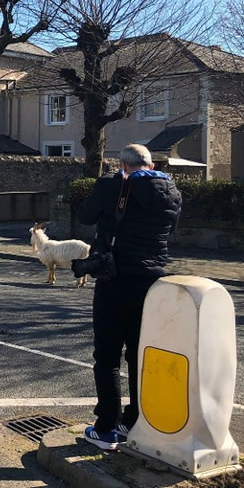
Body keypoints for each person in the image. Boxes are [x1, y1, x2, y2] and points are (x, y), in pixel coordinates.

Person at [76, 144, 181, 450]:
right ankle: (133, 421)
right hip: (152, 282)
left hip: (116, 277)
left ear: (124, 165)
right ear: (150, 164)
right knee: (139, 353)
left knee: (107, 356)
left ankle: (106, 428)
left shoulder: (114, 184)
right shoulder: (172, 190)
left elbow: (85, 215)